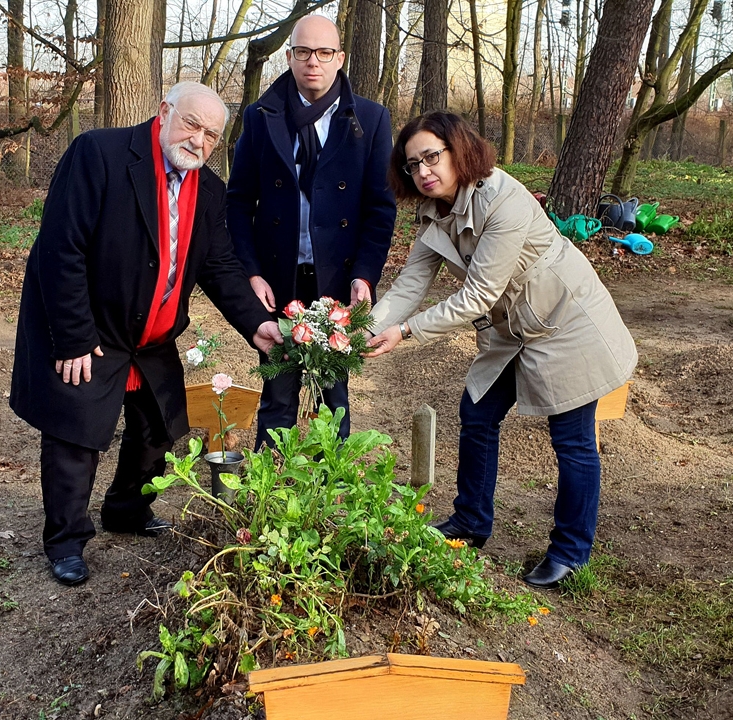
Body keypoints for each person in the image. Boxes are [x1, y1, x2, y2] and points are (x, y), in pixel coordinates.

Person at [10, 82, 283, 587]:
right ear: (164, 112)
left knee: (161, 423)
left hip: (150, 334)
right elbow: (60, 247)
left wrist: (257, 323)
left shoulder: (211, 190)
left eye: (212, 135)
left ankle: (126, 510)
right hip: (91, 327)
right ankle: (66, 541)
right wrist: (71, 337)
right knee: (76, 435)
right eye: (192, 124)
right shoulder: (101, 154)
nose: (199, 140)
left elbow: (220, 265)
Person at [364, 112, 637, 589]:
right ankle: (470, 524)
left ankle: (571, 552)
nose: (424, 171)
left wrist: (404, 333)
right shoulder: (435, 211)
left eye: (432, 156)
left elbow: (477, 296)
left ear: (459, 151)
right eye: (413, 165)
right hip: (511, 328)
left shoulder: (502, 199)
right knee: (477, 414)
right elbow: (411, 283)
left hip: (564, 321)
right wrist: (359, 328)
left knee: (571, 440)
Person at [227, 14, 396, 444]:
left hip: (337, 279)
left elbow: (380, 208)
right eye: (303, 52)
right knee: (277, 393)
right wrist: (250, 270)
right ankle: (270, 497)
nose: (313, 63)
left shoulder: (371, 120)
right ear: (290, 56)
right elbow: (239, 200)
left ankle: (330, 497)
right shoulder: (261, 116)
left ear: (340, 58)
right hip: (277, 276)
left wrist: (364, 274)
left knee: (333, 397)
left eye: (323, 53)